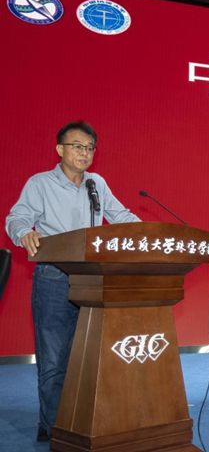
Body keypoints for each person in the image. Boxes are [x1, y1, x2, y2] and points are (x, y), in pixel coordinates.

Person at [5, 121, 140, 442]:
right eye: (77, 146)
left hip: (93, 278)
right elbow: (17, 217)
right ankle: (54, 429)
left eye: (90, 147)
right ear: (60, 150)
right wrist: (24, 233)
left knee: (89, 357)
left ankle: (81, 423)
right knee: (54, 359)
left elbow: (120, 216)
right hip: (54, 276)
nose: (85, 153)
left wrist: (148, 233)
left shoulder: (96, 183)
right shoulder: (40, 183)